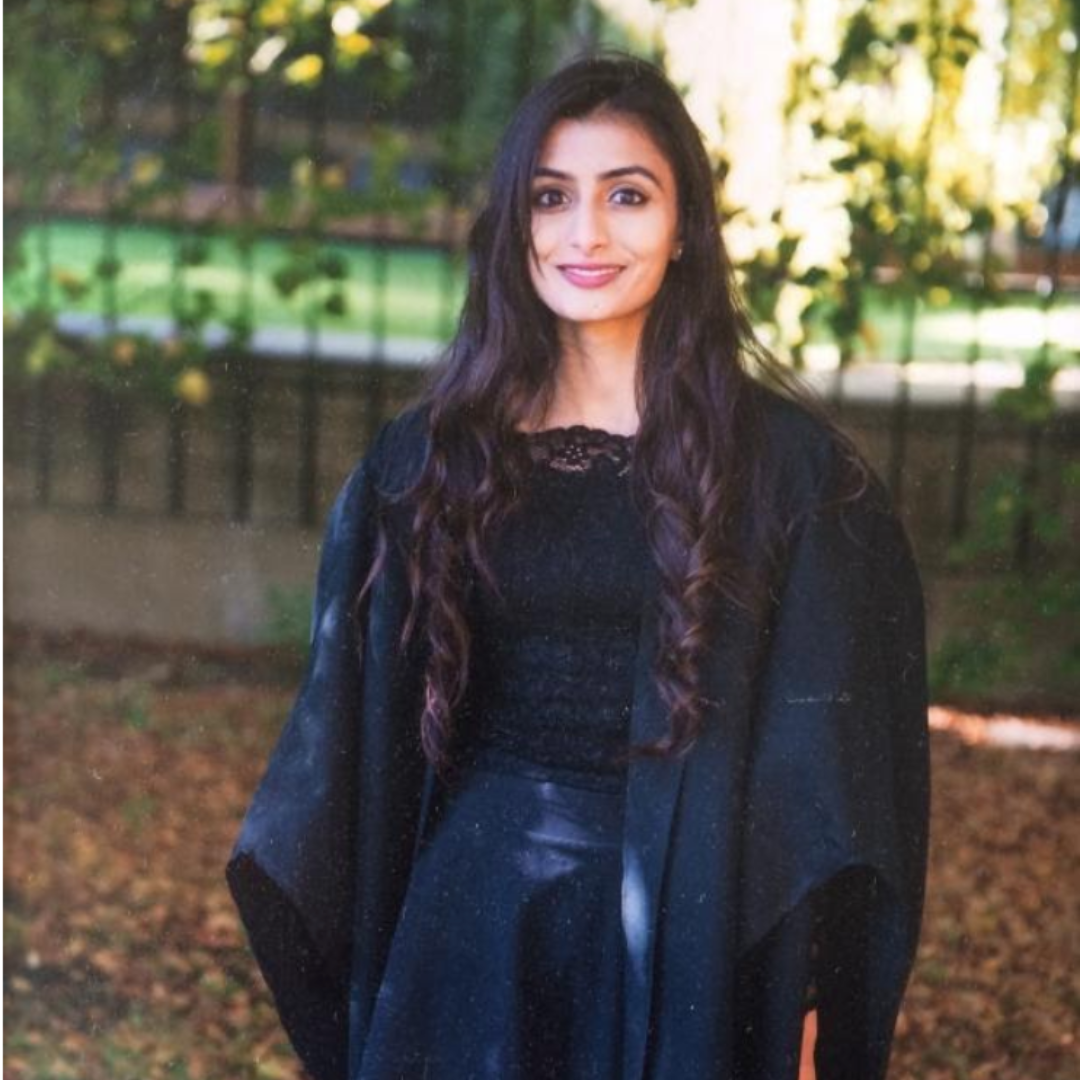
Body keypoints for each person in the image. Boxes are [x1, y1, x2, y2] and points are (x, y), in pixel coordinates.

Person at [227, 54, 929, 1080]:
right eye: (551, 197)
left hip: (695, 925)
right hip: (477, 923)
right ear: (516, 225)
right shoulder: (430, 461)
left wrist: (809, 1003)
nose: (585, 233)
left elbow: (829, 787)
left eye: (627, 196)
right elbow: (354, 745)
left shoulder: (790, 479)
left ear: (686, 224)